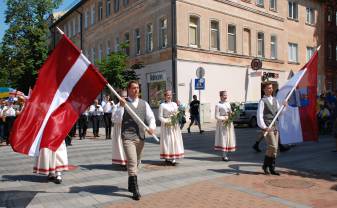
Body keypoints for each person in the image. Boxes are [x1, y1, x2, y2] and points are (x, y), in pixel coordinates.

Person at [112, 80, 156, 200]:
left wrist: (151, 127)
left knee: (136, 162)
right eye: (134, 88)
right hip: (128, 137)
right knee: (132, 162)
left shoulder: (144, 103)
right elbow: (116, 120)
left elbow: (151, 117)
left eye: (137, 88)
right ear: (129, 90)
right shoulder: (122, 103)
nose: (136, 90)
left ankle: (131, 183)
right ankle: (135, 190)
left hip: (140, 137)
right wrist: (121, 107)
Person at [257, 82, 283, 175]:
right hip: (268, 127)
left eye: (271, 88)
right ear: (264, 89)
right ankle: (265, 165)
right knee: (273, 147)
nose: (270, 89)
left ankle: (271, 167)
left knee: (272, 149)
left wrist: (284, 106)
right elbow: (259, 115)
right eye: (268, 88)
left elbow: (280, 113)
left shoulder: (275, 100)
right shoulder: (262, 101)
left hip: (275, 126)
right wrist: (264, 127)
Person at [159, 90, 184, 166]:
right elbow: (160, 117)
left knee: (175, 140)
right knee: (168, 141)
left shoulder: (174, 104)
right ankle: (167, 156)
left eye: (170, 95)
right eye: (167, 95)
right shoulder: (162, 105)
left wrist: (180, 111)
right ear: (165, 96)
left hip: (174, 125)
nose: (169, 96)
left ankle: (173, 158)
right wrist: (167, 121)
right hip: (167, 125)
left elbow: (178, 113)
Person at [214, 91, 236, 161]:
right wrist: (224, 118)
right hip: (222, 124)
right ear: (220, 96)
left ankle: (226, 153)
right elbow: (216, 116)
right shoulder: (218, 105)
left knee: (229, 138)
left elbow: (230, 112)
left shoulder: (228, 103)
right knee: (224, 138)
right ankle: (224, 155)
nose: (225, 96)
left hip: (229, 123)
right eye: (224, 95)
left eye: (226, 95)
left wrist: (233, 114)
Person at [111, 90, 127, 169]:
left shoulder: (129, 105)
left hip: (128, 128)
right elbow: (113, 119)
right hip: (119, 128)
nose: (124, 98)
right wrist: (121, 107)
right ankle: (123, 161)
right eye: (122, 96)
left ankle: (130, 160)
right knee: (121, 144)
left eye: (125, 96)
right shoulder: (116, 106)